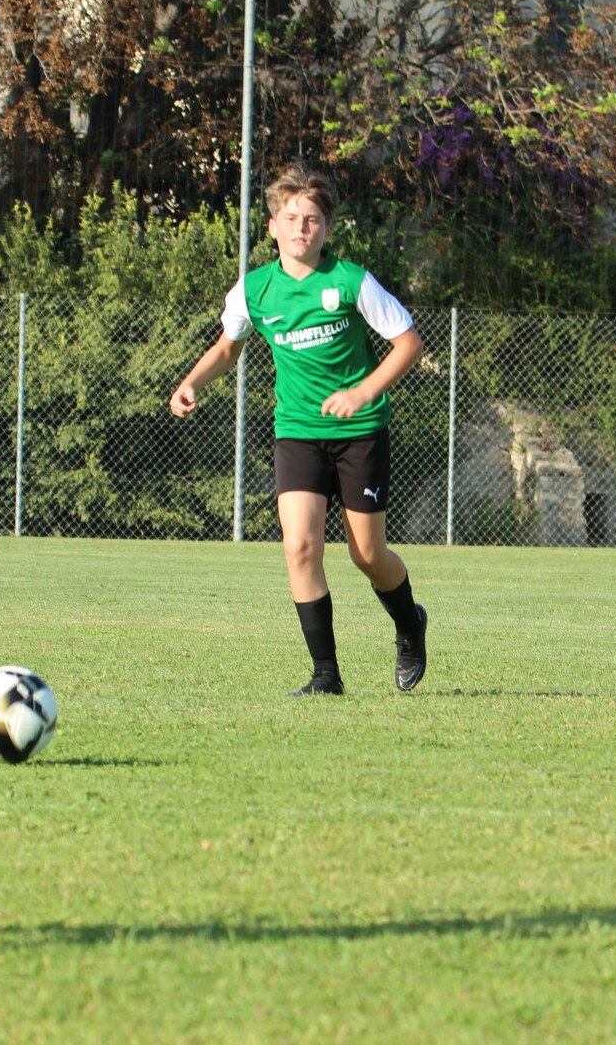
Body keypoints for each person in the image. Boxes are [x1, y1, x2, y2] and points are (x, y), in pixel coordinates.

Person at [170, 164, 428, 697]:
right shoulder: (255, 289)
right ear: (272, 226)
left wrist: (362, 392)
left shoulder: (351, 281)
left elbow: (408, 344)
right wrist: (192, 381)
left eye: (311, 220)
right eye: (290, 219)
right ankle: (326, 676)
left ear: (327, 229)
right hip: (297, 432)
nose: (301, 228)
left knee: (367, 555)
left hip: (360, 432)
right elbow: (228, 347)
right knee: (300, 547)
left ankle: (409, 623)